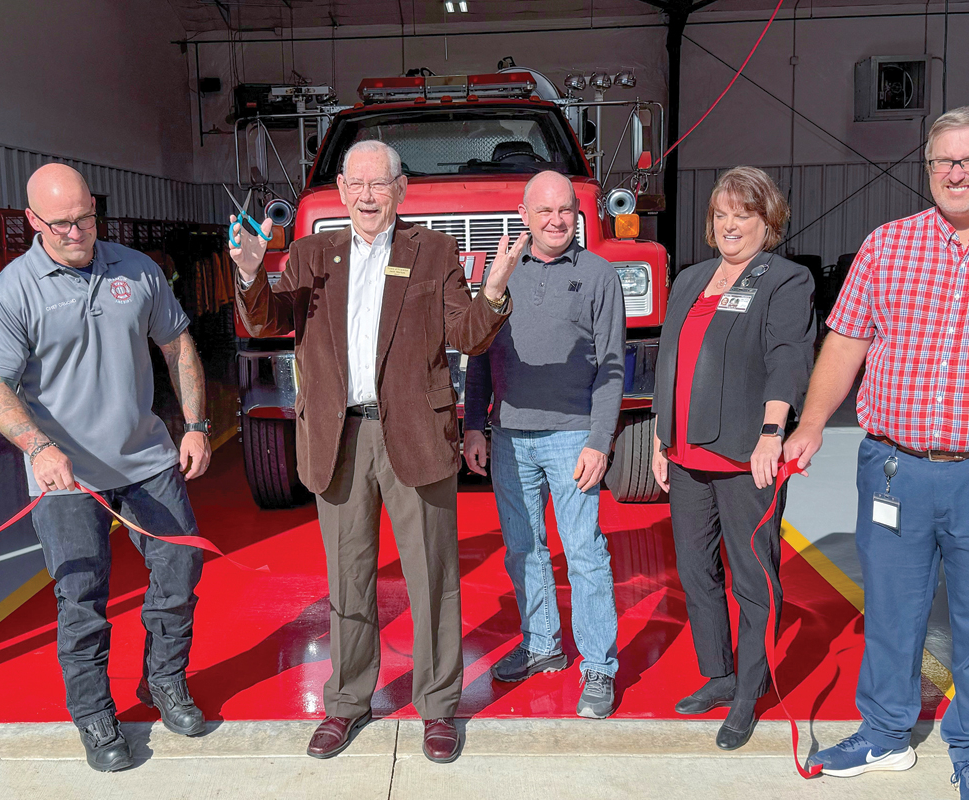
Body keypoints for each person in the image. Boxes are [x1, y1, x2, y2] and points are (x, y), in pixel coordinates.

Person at [787, 107, 969, 800]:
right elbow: (846, 343)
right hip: (895, 469)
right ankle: (885, 735)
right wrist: (810, 423)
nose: (954, 173)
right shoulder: (888, 244)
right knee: (891, 610)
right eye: (941, 162)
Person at [231, 140, 516, 764]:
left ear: (400, 190)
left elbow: (466, 334)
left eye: (378, 185)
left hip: (414, 434)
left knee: (433, 579)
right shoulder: (311, 255)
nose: (366, 196)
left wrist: (493, 290)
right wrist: (252, 273)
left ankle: (439, 706)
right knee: (348, 578)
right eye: (356, 184)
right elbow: (265, 320)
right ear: (339, 188)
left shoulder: (433, 251)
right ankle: (347, 702)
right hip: (339, 438)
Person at [0, 164, 213, 772]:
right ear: (32, 221)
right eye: (62, 223)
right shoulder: (10, 292)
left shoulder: (135, 269)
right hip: (66, 476)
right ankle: (93, 713)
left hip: (147, 459)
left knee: (180, 570)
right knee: (82, 598)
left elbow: (177, 343)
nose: (79, 232)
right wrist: (36, 445)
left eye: (86, 217)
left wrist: (195, 424)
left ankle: (164, 681)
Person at [650, 166, 815, 750]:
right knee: (696, 571)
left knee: (752, 579)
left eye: (741, 215)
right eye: (720, 215)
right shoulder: (692, 279)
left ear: (766, 222)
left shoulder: (784, 280)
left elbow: (788, 358)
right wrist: (661, 438)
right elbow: (670, 361)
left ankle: (749, 690)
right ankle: (719, 674)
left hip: (748, 458)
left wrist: (774, 431)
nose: (728, 226)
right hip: (688, 455)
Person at [463, 170, 625, 719]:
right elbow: (479, 354)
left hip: (573, 435)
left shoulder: (600, 275)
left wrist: (599, 442)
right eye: (546, 211)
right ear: (524, 214)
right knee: (524, 550)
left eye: (567, 211)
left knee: (583, 554)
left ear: (578, 216)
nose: (557, 221)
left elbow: (611, 367)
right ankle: (542, 647)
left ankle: (599, 668)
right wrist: (473, 426)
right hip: (509, 437)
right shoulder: (500, 271)